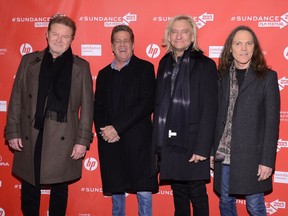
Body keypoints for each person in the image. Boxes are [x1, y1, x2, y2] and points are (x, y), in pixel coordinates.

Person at [4, 14, 94, 216]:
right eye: (55, 34)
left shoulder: (81, 67)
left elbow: (88, 108)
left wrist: (82, 140)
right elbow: (16, 97)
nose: (59, 40)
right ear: (47, 34)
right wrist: (13, 131)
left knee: (60, 190)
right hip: (31, 132)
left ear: (72, 39)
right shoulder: (29, 61)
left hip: (64, 137)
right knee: (29, 186)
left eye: (65, 36)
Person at [152, 15, 218, 216]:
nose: (179, 35)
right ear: (169, 36)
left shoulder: (205, 65)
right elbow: (160, 105)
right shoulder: (164, 63)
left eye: (184, 31)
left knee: (197, 192)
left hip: (193, 141)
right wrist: (158, 143)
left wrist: (202, 148)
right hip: (170, 140)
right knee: (178, 191)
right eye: (174, 31)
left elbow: (210, 109)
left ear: (192, 36)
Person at [211, 25, 280, 216]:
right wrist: (211, 151)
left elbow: (272, 123)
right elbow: (217, 117)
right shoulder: (221, 77)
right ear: (230, 48)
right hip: (224, 155)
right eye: (238, 43)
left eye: (248, 43)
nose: (243, 48)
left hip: (252, 157)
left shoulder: (267, 77)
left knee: (255, 206)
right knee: (225, 203)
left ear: (254, 48)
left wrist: (267, 161)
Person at [94, 25, 158, 216]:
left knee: (144, 193)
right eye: (117, 41)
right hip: (111, 143)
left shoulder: (145, 68)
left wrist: (117, 128)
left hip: (139, 143)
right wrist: (105, 131)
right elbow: (98, 108)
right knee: (117, 196)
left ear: (133, 44)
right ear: (112, 46)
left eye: (126, 40)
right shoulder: (104, 74)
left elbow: (146, 104)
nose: (122, 44)